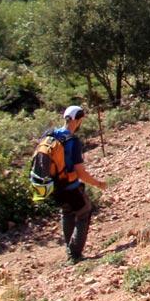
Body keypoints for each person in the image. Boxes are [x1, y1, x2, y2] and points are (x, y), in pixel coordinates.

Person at [52, 105, 107, 264]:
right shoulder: (73, 141)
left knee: (67, 213)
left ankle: (70, 251)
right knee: (85, 211)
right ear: (78, 119)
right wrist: (98, 183)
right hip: (70, 186)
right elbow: (80, 173)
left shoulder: (51, 135)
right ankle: (75, 254)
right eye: (81, 119)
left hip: (53, 187)